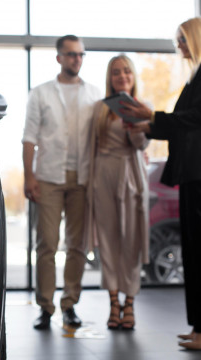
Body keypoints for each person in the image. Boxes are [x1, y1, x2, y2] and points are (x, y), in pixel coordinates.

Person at [121, 17, 201, 349]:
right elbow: (181, 125)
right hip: (190, 175)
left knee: (198, 252)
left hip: (198, 175)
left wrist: (151, 117)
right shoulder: (193, 77)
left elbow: (194, 119)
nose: (178, 45)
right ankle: (198, 327)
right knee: (193, 253)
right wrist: (147, 125)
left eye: (181, 39)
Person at [22, 35, 101, 330]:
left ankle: (70, 305)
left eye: (80, 54)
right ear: (58, 58)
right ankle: (45, 306)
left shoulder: (94, 94)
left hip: (83, 178)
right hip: (48, 177)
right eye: (70, 54)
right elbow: (29, 137)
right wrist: (29, 176)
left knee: (78, 246)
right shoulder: (40, 93)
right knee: (47, 245)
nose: (76, 59)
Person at [87, 55, 150, 330]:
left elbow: (141, 146)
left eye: (126, 71)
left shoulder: (143, 107)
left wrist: (135, 127)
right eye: (116, 72)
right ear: (110, 79)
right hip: (104, 176)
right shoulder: (100, 108)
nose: (122, 76)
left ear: (133, 75)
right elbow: (91, 147)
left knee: (132, 243)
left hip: (132, 176)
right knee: (109, 243)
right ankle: (114, 303)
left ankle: (130, 304)